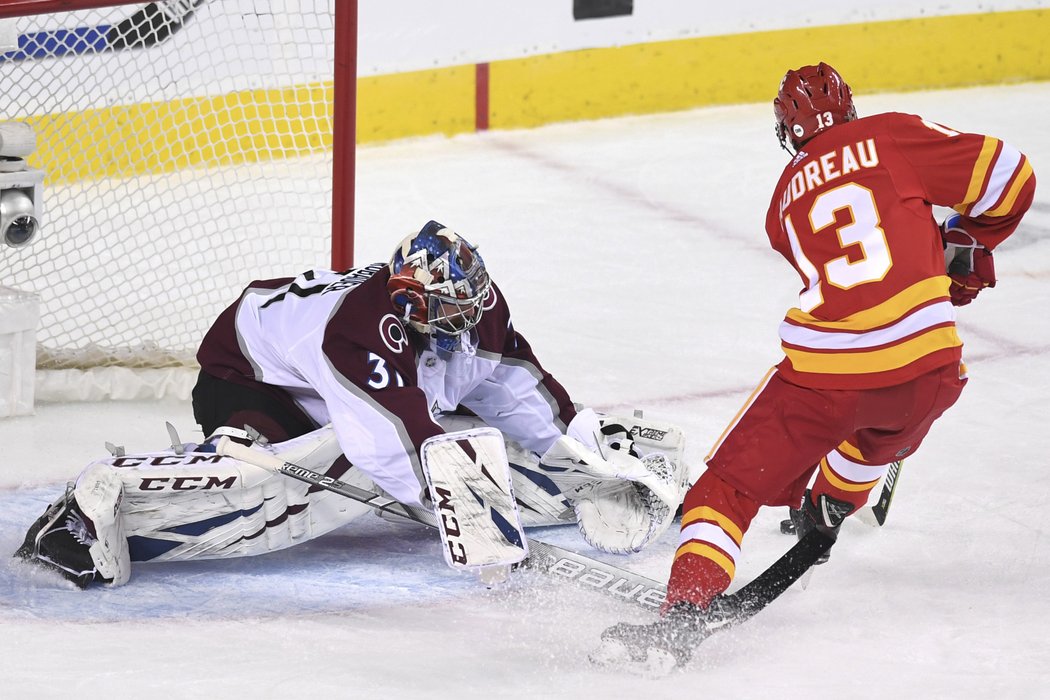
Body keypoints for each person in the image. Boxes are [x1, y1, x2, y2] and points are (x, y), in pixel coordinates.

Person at [595, 63, 1036, 669]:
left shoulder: (782, 202)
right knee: (877, 433)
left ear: (787, 132)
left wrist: (939, 252)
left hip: (831, 375)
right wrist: (966, 244)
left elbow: (858, 267)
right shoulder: (892, 135)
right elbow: (1012, 179)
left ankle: (681, 616)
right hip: (933, 372)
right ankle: (829, 504)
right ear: (850, 108)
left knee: (724, 489)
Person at [15, 221, 687, 588]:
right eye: (454, 305)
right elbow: (387, 445)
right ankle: (90, 509)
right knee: (273, 485)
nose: (473, 312)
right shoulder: (360, 332)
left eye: (473, 295)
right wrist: (466, 517)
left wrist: (578, 455)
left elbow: (514, 386)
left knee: (464, 439)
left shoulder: (471, 308)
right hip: (253, 379)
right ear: (415, 308)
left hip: (348, 376)